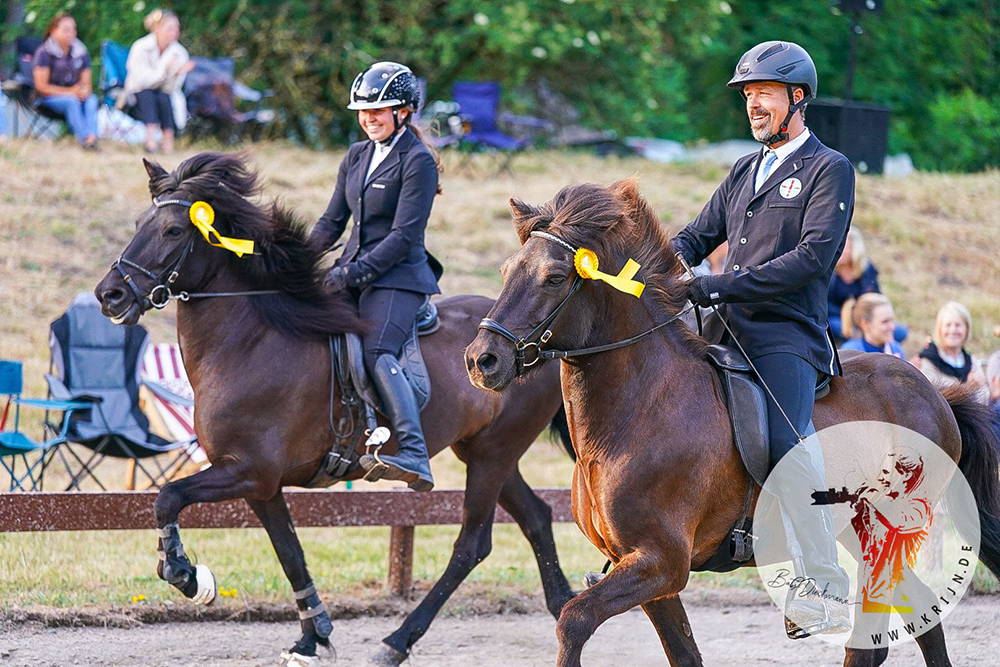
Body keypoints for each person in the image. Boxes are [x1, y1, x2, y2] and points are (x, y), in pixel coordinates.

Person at [671, 40, 853, 636]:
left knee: (784, 440)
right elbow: (697, 237)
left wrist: (717, 286)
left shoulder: (830, 169)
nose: (753, 106)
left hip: (785, 332)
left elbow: (812, 258)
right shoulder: (745, 169)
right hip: (722, 324)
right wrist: (656, 263)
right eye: (748, 96)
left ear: (797, 98)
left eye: (764, 95)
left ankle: (822, 582)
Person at [308, 62, 443, 492]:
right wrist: (294, 262)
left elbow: (404, 237)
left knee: (377, 349)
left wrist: (348, 274)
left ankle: (414, 452)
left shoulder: (417, 161)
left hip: (399, 278)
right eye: (363, 112)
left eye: (379, 111)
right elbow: (332, 223)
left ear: (403, 112)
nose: (369, 119)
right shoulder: (356, 155)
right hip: (354, 273)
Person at [121, 9, 193, 154]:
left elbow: (172, 88)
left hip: (164, 95)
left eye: (177, 28)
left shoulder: (180, 53)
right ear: (156, 28)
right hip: (136, 96)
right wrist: (165, 72)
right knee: (148, 94)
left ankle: (167, 144)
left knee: (163, 96)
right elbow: (140, 82)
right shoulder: (140, 47)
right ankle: (151, 142)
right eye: (170, 28)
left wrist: (175, 74)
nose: (175, 32)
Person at [828, 227, 907, 344]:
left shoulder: (867, 271)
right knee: (839, 327)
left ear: (854, 249)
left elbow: (877, 299)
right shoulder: (830, 272)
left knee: (901, 332)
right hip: (838, 317)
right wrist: (847, 314)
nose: (838, 249)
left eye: (844, 246)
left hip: (865, 318)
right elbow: (825, 306)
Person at [32, 14, 98, 149]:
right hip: (48, 99)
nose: (71, 33)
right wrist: (70, 92)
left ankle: (92, 138)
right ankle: (85, 140)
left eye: (73, 29)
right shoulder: (44, 53)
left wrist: (83, 92)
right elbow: (41, 87)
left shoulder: (81, 52)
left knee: (91, 100)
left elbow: (87, 84)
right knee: (71, 101)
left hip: (76, 95)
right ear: (53, 31)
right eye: (66, 29)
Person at [917, 301, 985, 390]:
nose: (953, 330)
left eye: (958, 325)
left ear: (967, 329)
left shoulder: (972, 362)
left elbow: (985, 395)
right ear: (940, 329)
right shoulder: (929, 360)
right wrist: (967, 389)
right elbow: (930, 396)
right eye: (948, 325)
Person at [839, 293, 905, 358]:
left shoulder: (895, 348)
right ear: (865, 324)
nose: (892, 327)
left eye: (892, 320)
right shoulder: (850, 354)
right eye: (885, 322)